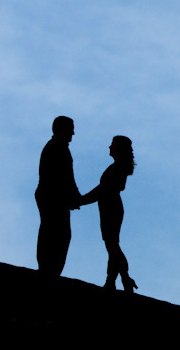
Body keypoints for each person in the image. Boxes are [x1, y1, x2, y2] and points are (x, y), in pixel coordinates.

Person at [80, 135, 137, 293]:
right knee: (111, 244)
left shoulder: (117, 168)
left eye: (112, 144)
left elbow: (102, 190)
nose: (109, 147)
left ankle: (123, 278)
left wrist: (81, 200)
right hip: (110, 206)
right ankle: (112, 280)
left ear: (119, 148)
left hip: (110, 206)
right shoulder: (118, 167)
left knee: (112, 244)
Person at [35, 116, 82, 276]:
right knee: (56, 234)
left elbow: (66, 176)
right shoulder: (57, 147)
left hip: (52, 196)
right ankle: (49, 270)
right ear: (62, 128)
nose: (73, 133)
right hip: (53, 197)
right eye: (71, 128)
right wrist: (73, 196)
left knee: (54, 232)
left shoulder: (57, 146)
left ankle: (48, 269)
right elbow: (63, 176)